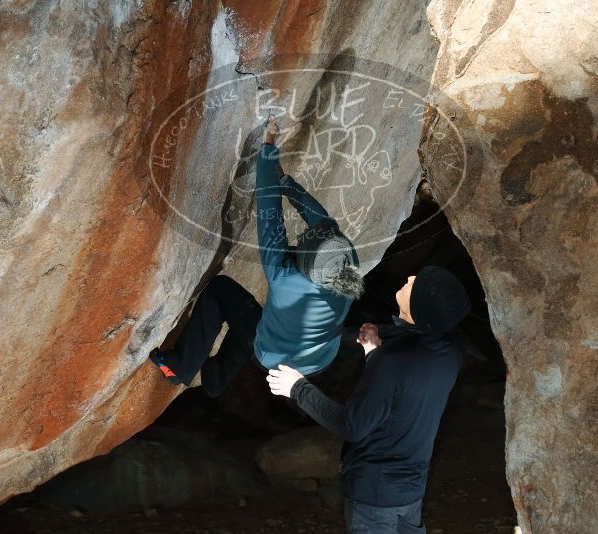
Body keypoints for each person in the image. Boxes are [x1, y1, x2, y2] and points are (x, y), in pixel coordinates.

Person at [147, 114, 364, 397]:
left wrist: (269, 146)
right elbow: (321, 221)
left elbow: (269, 212)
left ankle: (180, 367)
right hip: (316, 360)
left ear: (304, 265)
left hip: (277, 358)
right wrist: (285, 180)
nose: (302, 237)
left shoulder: (284, 277)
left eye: (303, 243)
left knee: (221, 292)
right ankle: (216, 379)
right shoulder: (346, 259)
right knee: (255, 320)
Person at [267, 266, 471, 533]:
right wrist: (375, 349)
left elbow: (352, 426)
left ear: (422, 306)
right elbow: (408, 372)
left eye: (416, 283)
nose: (409, 277)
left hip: (375, 495)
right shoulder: (452, 352)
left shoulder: (393, 361)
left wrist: (298, 389)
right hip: (410, 490)